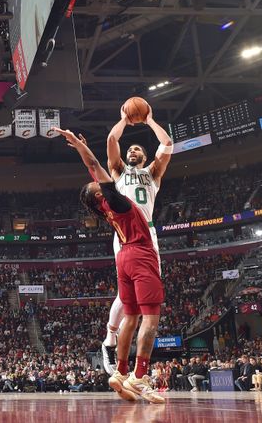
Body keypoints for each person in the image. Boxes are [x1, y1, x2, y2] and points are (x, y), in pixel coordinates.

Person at [51, 126, 164, 404]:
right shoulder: (115, 200)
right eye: (98, 186)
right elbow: (93, 164)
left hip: (123, 256)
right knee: (150, 319)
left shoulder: (106, 209)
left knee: (131, 316)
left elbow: (94, 167)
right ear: (101, 196)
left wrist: (82, 145)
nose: (99, 182)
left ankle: (120, 372)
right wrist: (78, 145)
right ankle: (139, 377)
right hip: (139, 253)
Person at [101, 105, 173, 376]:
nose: (132, 151)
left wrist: (150, 120)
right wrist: (124, 119)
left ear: (144, 156)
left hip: (149, 234)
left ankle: (132, 363)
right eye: (129, 149)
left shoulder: (153, 174)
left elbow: (166, 143)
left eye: (137, 149)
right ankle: (110, 339)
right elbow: (111, 141)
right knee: (125, 293)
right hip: (124, 233)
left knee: (148, 297)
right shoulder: (118, 171)